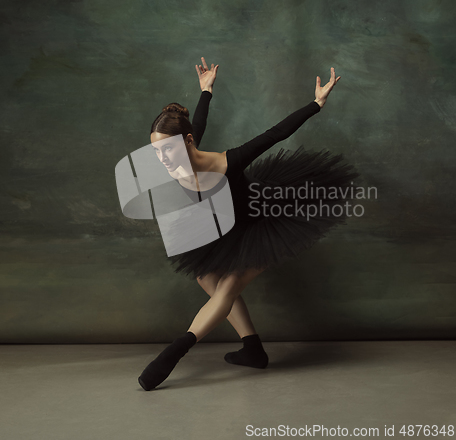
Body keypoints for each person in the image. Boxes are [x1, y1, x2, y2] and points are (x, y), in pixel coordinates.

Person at [138, 57, 360, 391]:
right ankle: (253, 349)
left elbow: (276, 134)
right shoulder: (182, 149)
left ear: (186, 142)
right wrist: (206, 90)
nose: (162, 160)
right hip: (226, 224)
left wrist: (316, 103)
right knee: (206, 277)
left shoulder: (229, 161)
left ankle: (173, 353)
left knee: (227, 287)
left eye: (166, 150)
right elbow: (196, 122)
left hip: (262, 219)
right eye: (156, 152)